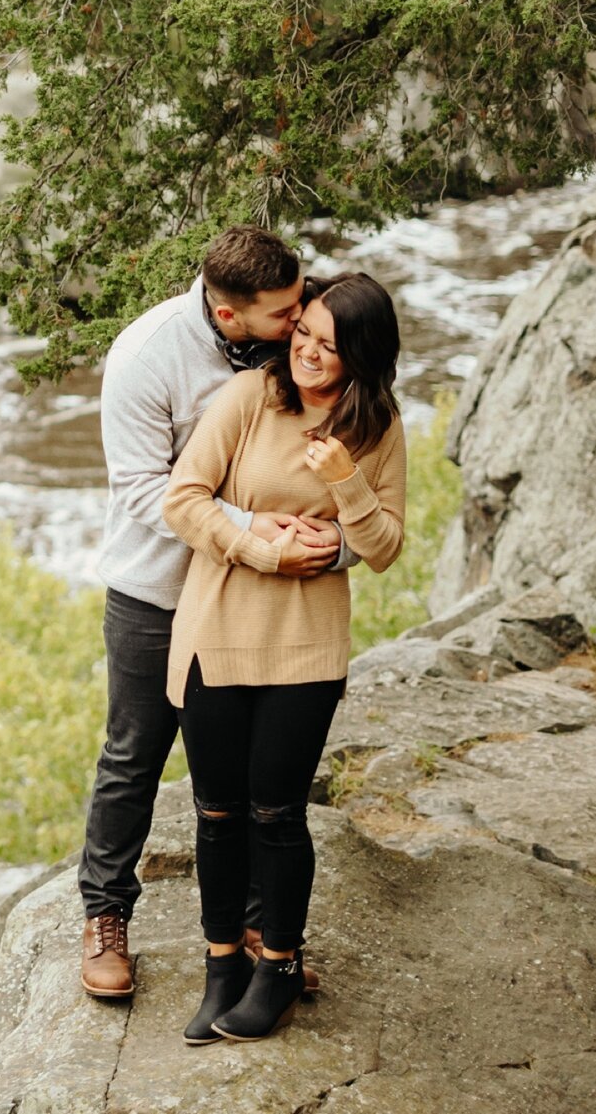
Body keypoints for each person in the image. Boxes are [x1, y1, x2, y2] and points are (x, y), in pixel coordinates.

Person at [78, 227, 344, 1000]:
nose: (301, 324)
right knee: (134, 756)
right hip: (159, 591)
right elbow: (140, 491)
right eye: (284, 314)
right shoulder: (144, 355)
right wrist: (250, 528)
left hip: (260, 600)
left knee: (249, 775)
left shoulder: (299, 336)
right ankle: (105, 915)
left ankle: (260, 928)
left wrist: (333, 542)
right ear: (229, 318)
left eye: (301, 303)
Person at [162, 271, 408, 1045]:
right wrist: (261, 547)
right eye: (303, 334)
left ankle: (279, 968)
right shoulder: (250, 399)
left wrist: (345, 487)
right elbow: (183, 497)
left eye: (328, 346)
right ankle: (222, 964)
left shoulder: (376, 426)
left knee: (277, 813)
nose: (306, 351)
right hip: (218, 631)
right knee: (216, 812)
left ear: (360, 355)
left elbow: (384, 548)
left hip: (304, 648)